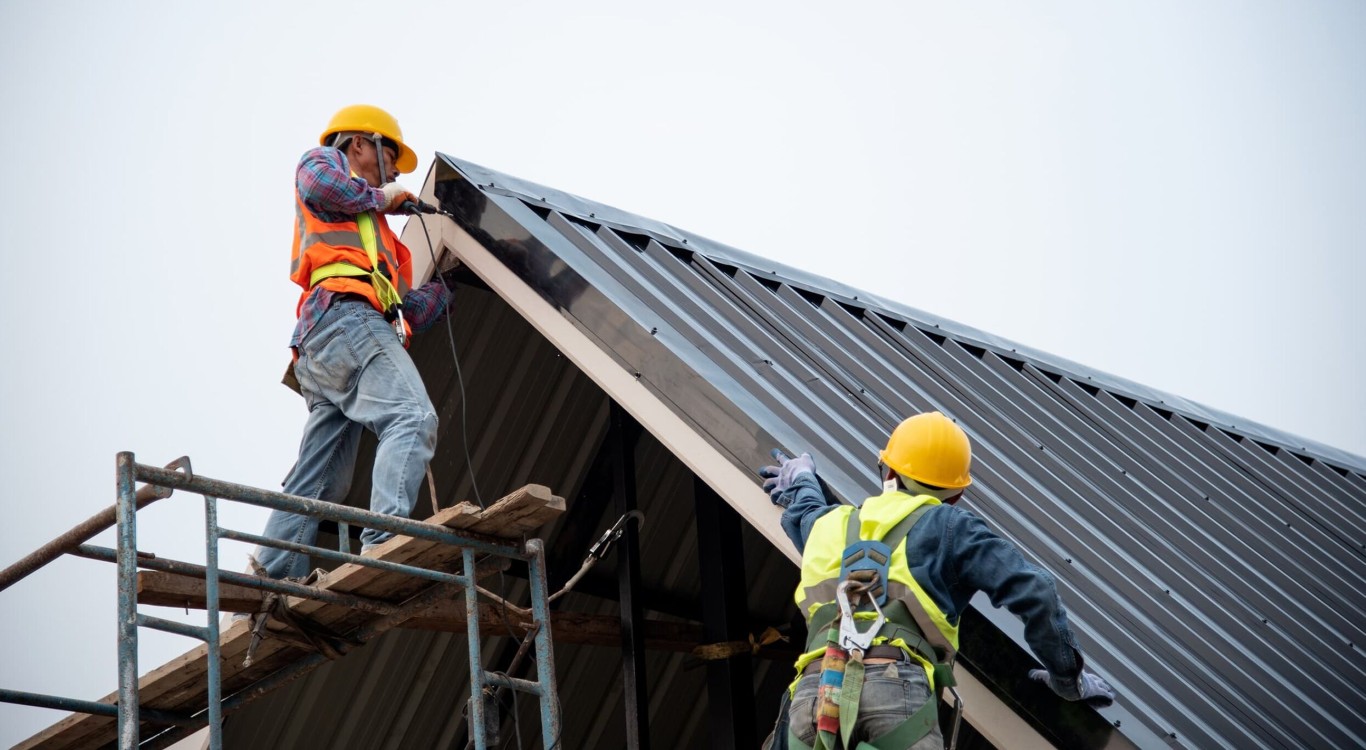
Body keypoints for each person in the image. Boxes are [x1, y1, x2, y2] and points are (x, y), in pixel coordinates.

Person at [760, 411, 1115, 749]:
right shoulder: (952, 527)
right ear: (956, 496)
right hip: (894, 691)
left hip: (814, 696)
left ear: (887, 471)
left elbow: (805, 513)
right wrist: (1068, 679)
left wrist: (802, 479)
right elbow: (1036, 592)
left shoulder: (829, 525)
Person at [253, 104, 456, 581]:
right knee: (411, 415)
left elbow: (404, 310)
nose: (393, 169)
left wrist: (447, 286)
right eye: (389, 153)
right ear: (359, 143)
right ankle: (383, 540)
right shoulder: (323, 163)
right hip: (343, 320)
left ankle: (276, 569)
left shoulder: (376, 235)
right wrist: (385, 197)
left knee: (324, 474)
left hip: (331, 343)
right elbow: (321, 187)